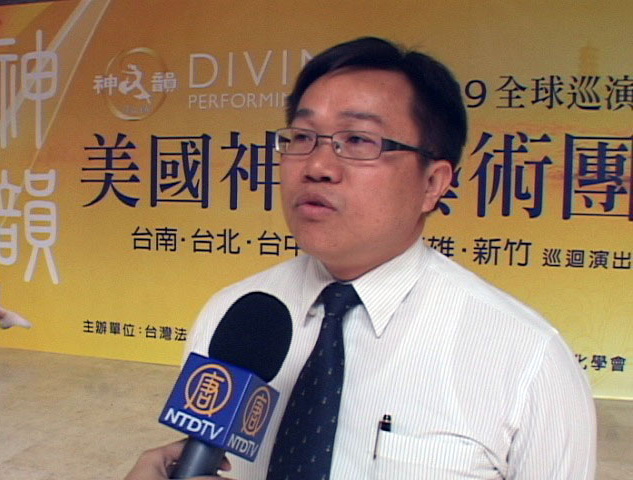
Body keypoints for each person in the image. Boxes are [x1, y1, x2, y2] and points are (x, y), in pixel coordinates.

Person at [126, 37, 596, 479]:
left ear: (433, 183)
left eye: (358, 141)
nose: (316, 166)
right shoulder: (233, 315)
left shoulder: (528, 360)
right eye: (302, 137)